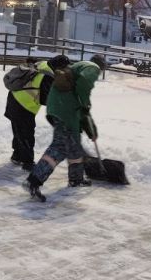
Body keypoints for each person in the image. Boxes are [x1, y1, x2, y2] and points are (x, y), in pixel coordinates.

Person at [24, 56, 106, 202]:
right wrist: (85, 103)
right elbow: (84, 84)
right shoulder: (92, 68)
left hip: (62, 107)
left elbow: (83, 113)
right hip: (65, 110)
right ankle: (34, 180)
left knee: (74, 146)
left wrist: (91, 131)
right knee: (60, 147)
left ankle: (76, 179)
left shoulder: (77, 68)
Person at [4, 54, 71, 169]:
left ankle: (17, 156)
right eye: (64, 68)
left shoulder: (43, 64)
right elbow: (46, 99)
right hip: (23, 105)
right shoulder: (48, 76)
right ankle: (28, 163)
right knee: (27, 134)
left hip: (13, 98)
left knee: (19, 131)